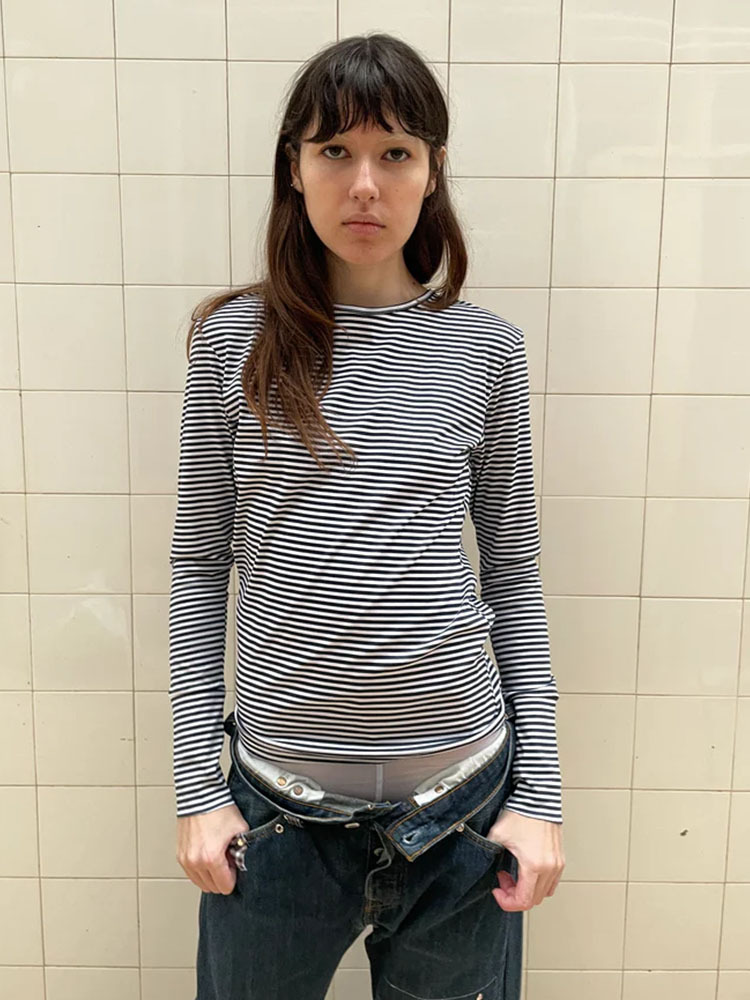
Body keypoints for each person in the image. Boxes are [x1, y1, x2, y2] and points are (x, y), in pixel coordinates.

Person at [169, 31, 566, 1000]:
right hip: (273, 819)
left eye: (395, 153)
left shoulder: (486, 350)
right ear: (293, 168)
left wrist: (541, 797)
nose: (364, 186)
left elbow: (513, 576)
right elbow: (198, 567)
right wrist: (197, 789)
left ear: (433, 172)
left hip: (466, 816)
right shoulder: (234, 343)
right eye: (334, 151)